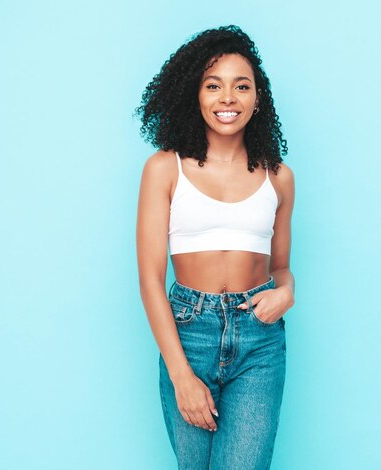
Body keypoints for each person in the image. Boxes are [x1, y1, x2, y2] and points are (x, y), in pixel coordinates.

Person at [134, 25, 295, 470]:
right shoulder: (164, 169)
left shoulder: (278, 176)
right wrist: (180, 374)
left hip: (259, 340)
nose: (228, 98)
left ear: (258, 98)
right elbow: (150, 278)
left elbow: (280, 267)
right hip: (189, 333)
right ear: (196, 95)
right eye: (213, 85)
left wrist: (287, 291)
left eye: (241, 86)